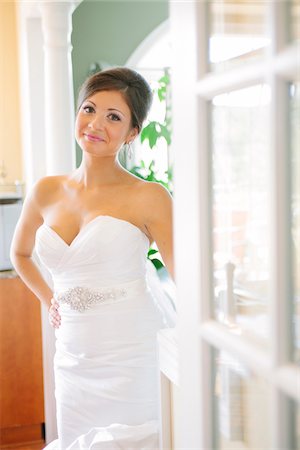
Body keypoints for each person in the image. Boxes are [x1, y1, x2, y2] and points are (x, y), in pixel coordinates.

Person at [10, 67, 175, 449]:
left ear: (132, 132)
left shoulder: (150, 196)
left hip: (132, 353)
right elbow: (19, 254)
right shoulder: (46, 191)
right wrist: (48, 297)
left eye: (113, 117)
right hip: (72, 353)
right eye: (89, 109)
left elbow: (186, 274)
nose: (95, 123)